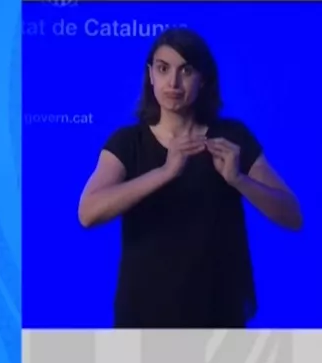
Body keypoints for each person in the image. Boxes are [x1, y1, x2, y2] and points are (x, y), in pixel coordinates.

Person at [77, 27, 302, 328]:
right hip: (143, 315)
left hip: (219, 313)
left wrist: (239, 179)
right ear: (150, 75)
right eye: (163, 69)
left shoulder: (232, 138)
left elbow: (292, 215)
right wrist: (165, 172)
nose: (173, 82)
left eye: (186, 70)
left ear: (203, 78)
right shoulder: (128, 142)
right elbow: (88, 213)